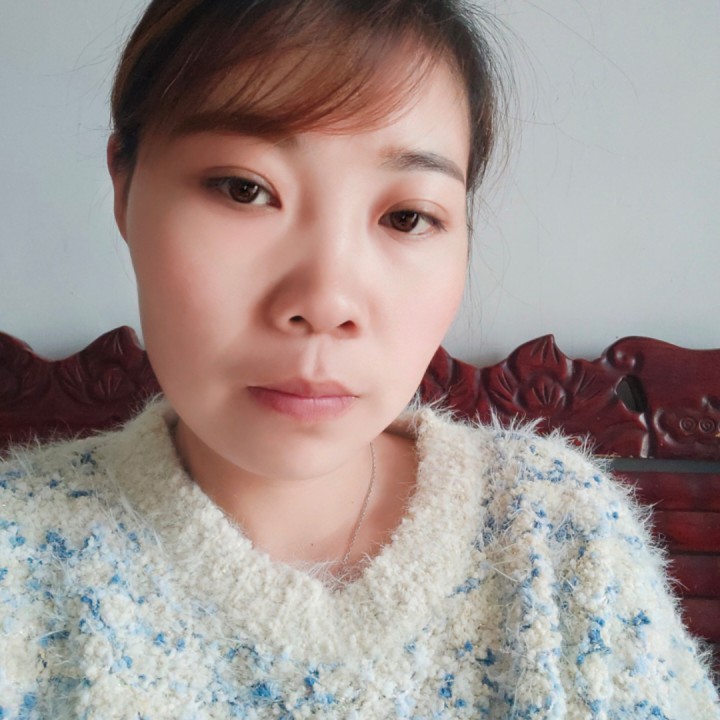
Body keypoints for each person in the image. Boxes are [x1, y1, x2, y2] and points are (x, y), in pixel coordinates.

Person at [0, 0, 718, 717]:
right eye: (244, 189)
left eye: (408, 217)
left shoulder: (559, 536)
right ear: (124, 188)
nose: (325, 301)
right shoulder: (21, 558)